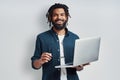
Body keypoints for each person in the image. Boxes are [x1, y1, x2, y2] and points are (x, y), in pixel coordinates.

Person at [31, 3, 89, 80]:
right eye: (55, 15)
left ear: (66, 17)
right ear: (50, 17)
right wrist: (40, 61)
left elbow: (79, 67)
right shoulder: (42, 38)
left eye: (62, 14)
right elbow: (34, 65)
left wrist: (80, 67)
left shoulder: (75, 38)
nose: (59, 17)